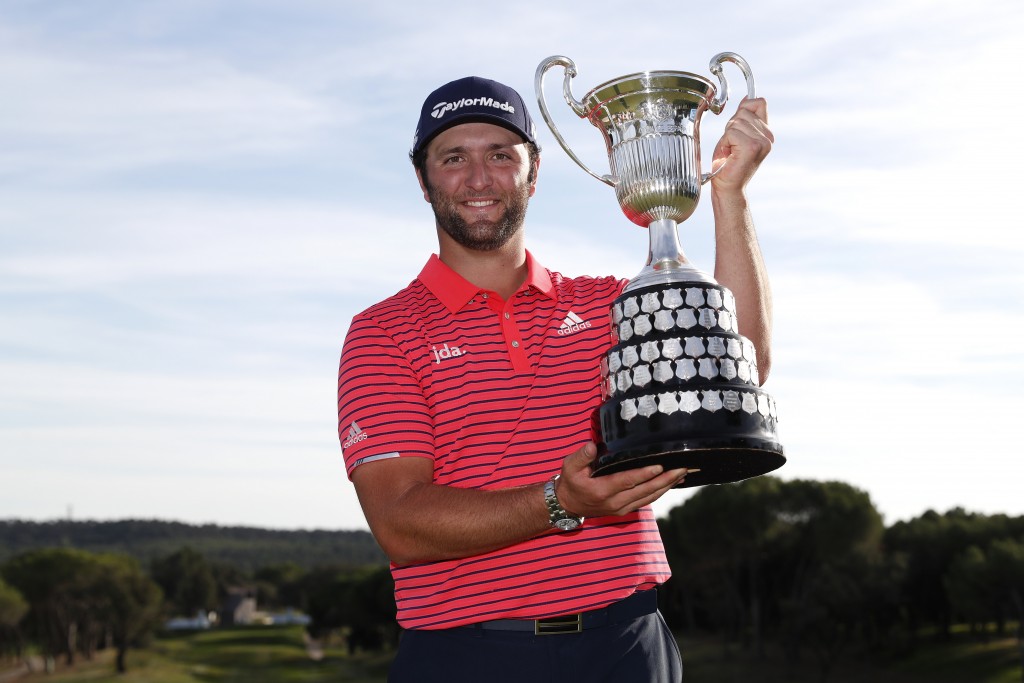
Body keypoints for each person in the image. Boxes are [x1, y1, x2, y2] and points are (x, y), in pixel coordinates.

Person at [337, 74, 774, 682]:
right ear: (423, 179)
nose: (479, 178)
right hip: (467, 655)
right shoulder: (381, 332)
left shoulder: (607, 305)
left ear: (533, 173)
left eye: (500, 155)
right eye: (454, 158)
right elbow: (400, 523)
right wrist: (557, 502)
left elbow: (735, 369)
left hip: (627, 644)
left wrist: (730, 195)